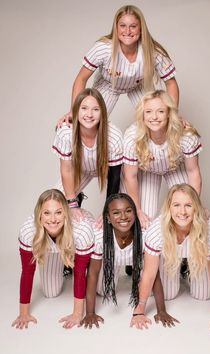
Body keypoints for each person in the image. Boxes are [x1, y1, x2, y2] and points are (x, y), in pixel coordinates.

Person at [130, 184, 210, 332]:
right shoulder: (157, 229)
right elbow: (149, 273)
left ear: (196, 207)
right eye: (176, 205)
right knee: (169, 295)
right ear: (169, 207)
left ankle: (188, 268)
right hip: (170, 257)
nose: (182, 212)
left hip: (197, 256)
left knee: (203, 296)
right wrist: (139, 310)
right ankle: (179, 268)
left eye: (188, 205)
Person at [58, 4, 179, 125]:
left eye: (133, 26)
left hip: (138, 86)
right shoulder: (103, 48)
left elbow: (171, 83)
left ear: (141, 28)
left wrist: (173, 115)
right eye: (122, 26)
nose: (127, 31)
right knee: (88, 120)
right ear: (116, 28)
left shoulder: (152, 51)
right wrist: (74, 110)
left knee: (156, 120)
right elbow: (81, 78)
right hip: (108, 84)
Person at [81, 193, 178, 328]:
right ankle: (125, 272)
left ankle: (135, 272)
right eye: (116, 213)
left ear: (135, 213)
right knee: (104, 292)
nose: (123, 217)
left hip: (139, 262)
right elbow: (92, 274)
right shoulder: (99, 235)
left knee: (151, 292)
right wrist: (89, 313)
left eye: (128, 211)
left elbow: (153, 274)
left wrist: (161, 310)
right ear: (108, 218)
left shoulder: (145, 233)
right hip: (111, 262)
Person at [12, 189, 94, 330]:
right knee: (50, 293)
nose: (53, 219)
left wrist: (77, 313)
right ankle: (65, 264)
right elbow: (27, 271)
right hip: (49, 247)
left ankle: (69, 260)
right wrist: (23, 313)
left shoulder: (82, 229)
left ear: (66, 213)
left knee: (101, 290)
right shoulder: (28, 230)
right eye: (47, 213)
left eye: (58, 212)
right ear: (39, 215)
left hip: (76, 242)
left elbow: (80, 273)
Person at [122, 89, 202, 228]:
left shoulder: (186, 136)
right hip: (147, 171)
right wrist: (137, 210)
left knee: (185, 215)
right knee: (145, 221)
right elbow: (130, 176)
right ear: (142, 114)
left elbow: (193, 172)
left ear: (169, 113)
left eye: (160, 111)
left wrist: (195, 205)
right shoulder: (132, 137)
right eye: (148, 112)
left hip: (174, 168)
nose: (154, 117)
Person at [52, 88, 123, 220]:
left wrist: (108, 209)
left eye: (95, 109)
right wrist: (72, 202)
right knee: (54, 205)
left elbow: (115, 177)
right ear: (75, 111)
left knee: (120, 213)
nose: (89, 114)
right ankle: (77, 197)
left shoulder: (114, 136)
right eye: (84, 108)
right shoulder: (66, 132)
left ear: (102, 112)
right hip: (81, 169)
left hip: (109, 171)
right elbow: (67, 170)